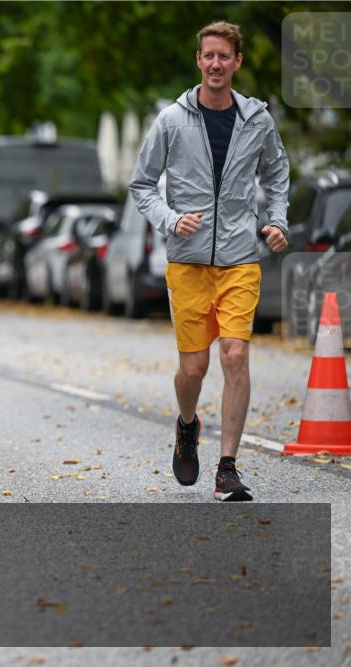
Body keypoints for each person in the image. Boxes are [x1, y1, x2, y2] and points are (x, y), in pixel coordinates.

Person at [129, 21, 290, 502]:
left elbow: (278, 174)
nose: (216, 64)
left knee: (235, 355)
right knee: (193, 370)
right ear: (198, 61)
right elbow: (141, 185)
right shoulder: (172, 121)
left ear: (237, 62)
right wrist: (169, 218)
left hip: (241, 258)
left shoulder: (257, 120)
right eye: (208, 56)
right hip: (189, 261)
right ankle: (186, 424)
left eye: (225, 56)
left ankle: (227, 468)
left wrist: (277, 221)